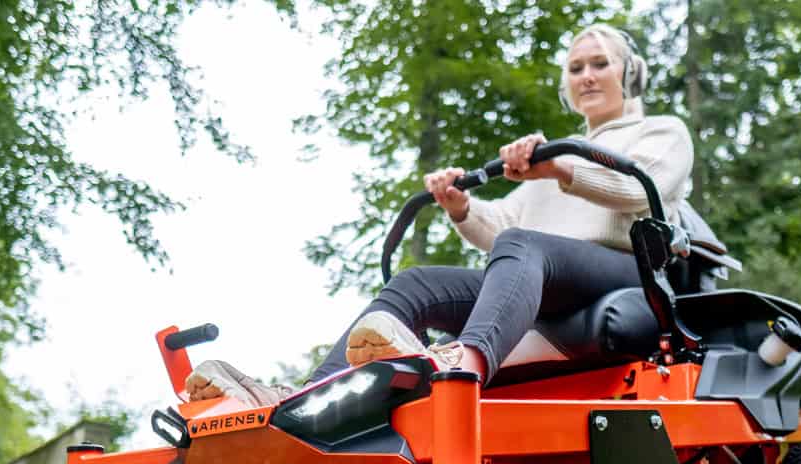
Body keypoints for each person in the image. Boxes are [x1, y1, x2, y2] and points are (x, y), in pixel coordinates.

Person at [187, 23, 693, 405]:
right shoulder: (556, 158)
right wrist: (463, 207)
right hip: (548, 278)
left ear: (628, 72)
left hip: (623, 272)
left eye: (599, 64)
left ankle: (461, 365)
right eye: (576, 68)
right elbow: (501, 231)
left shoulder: (661, 133)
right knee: (416, 284)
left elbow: (639, 192)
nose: (587, 76)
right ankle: (309, 398)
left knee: (526, 246)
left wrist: (562, 168)